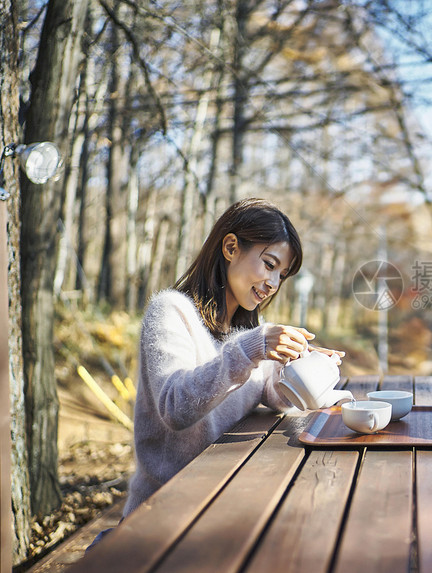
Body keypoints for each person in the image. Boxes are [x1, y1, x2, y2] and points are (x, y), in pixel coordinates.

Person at [123, 197, 344, 518]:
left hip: (226, 494)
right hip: (165, 509)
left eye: (281, 275)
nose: (272, 284)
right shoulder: (170, 310)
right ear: (230, 248)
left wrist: (298, 365)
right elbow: (174, 407)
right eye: (269, 264)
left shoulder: (245, 332)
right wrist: (252, 349)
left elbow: (275, 395)